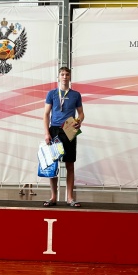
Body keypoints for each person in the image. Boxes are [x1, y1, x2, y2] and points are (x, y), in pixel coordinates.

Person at [43, 67, 84, 207]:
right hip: (54, 129)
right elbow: (46, 114)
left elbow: (81, 113)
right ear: (58, 77)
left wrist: (79, 121)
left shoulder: (76, 95)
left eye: (67, 74)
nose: (65, 77)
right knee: (53, 165)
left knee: (70, 164)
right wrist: (46, 133)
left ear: (70, 77)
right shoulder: (52, 93)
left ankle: (70, 198)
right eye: (62, 74)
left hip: (69, 129)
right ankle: (53, 197)